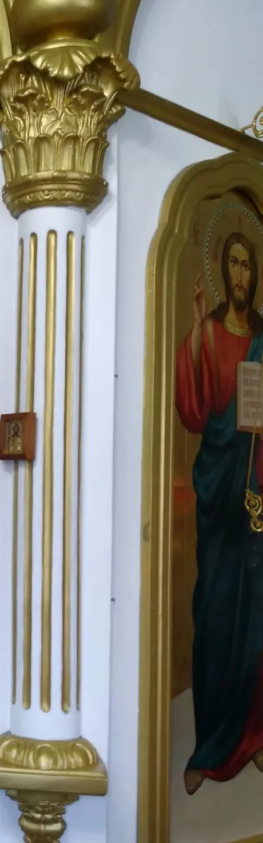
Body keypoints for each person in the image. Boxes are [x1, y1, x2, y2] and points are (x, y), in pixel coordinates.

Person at [175, 224, 263, 794]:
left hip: (258, 491)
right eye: (231, 263)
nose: (239, 275)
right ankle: (209, 747)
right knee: (214, 612)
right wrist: (195, 335)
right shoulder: (207, 333)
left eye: (246, 265)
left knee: (256, 614)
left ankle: (253, 735)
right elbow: (194, 412)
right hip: (217, 494)